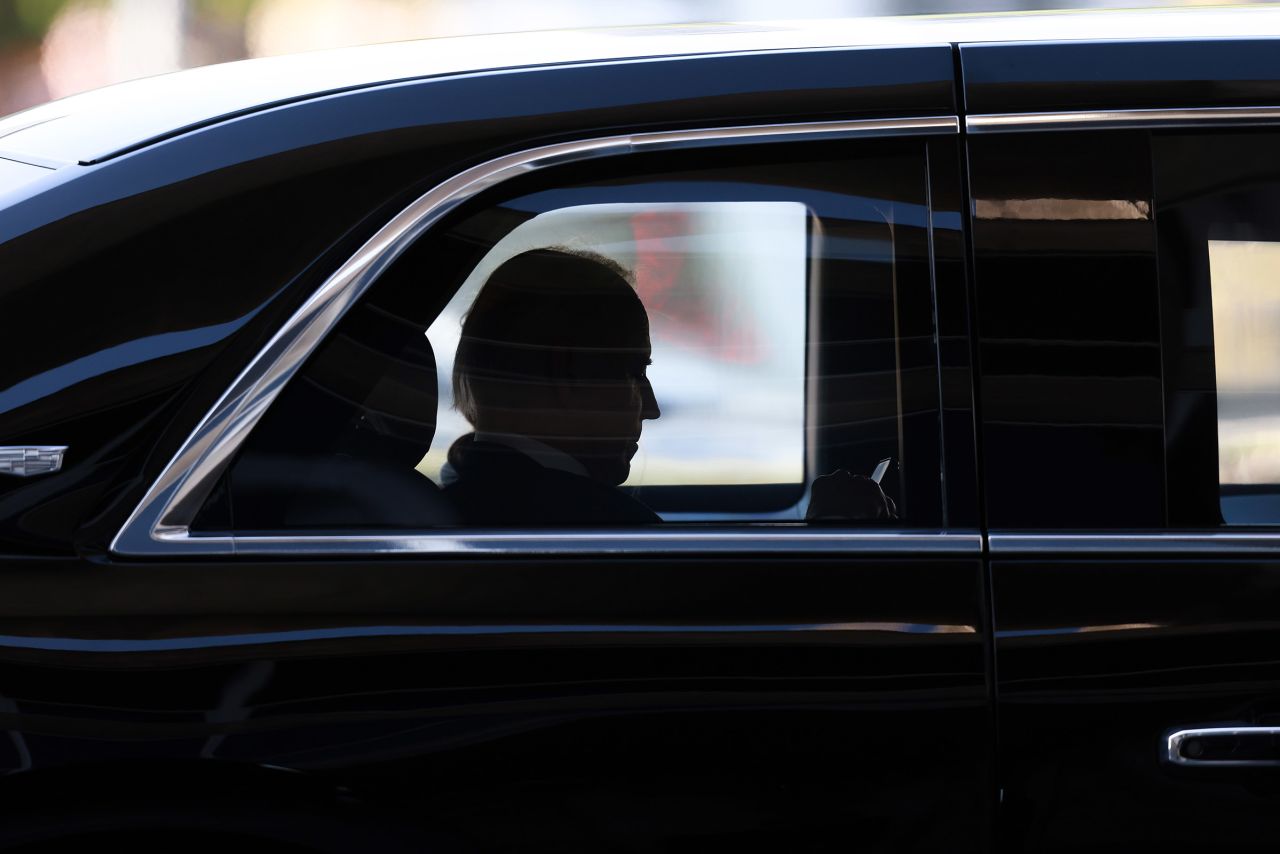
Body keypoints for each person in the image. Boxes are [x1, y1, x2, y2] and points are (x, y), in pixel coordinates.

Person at [443, 247, 662, 524]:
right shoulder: (614, 528)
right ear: (565, 374)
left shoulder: (442, 504)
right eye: (635, 373)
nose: (651, 409)